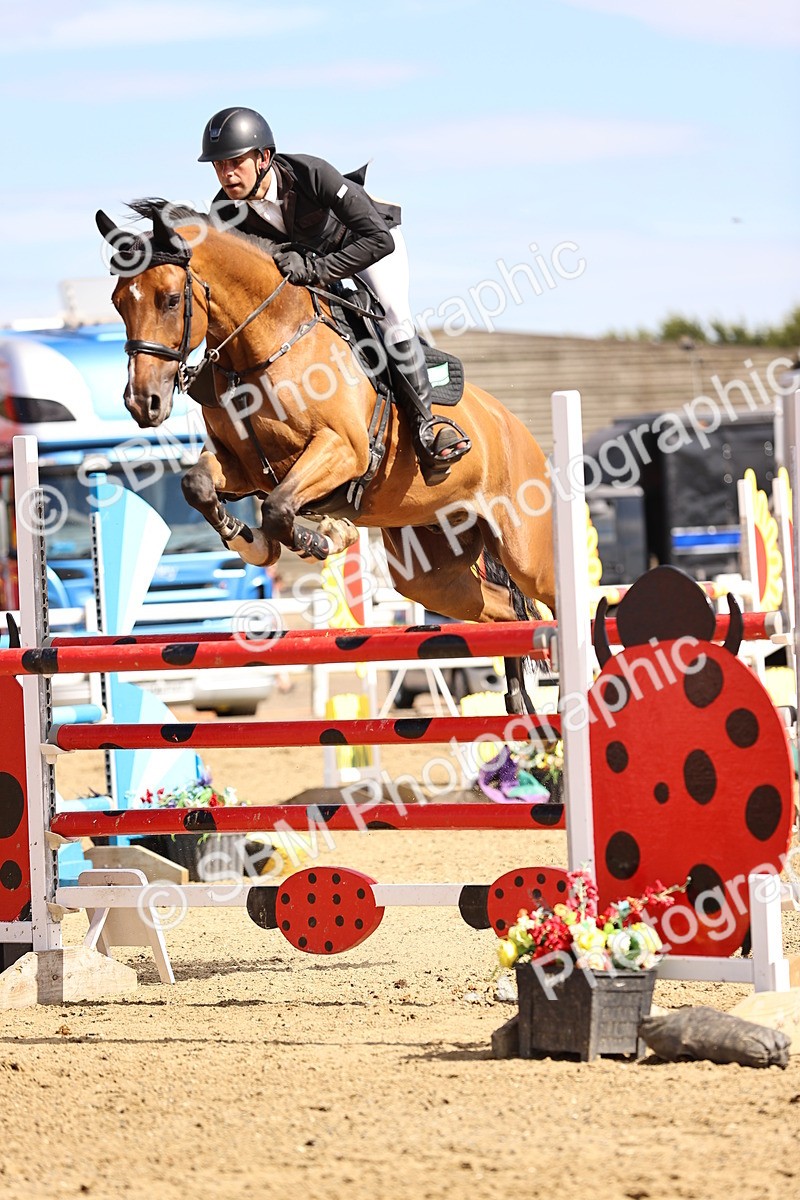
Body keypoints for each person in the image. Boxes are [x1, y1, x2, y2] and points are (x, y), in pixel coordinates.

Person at [198, 106, 470, 478]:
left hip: (366, 245)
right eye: (218, 166)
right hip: (309, 269)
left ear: (263, 157)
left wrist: (318, 269)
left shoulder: (312, 174)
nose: (226, 174)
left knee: (393, 313)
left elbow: (378, 240)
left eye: (235, 162)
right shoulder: (223, 212)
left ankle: (426, 430)